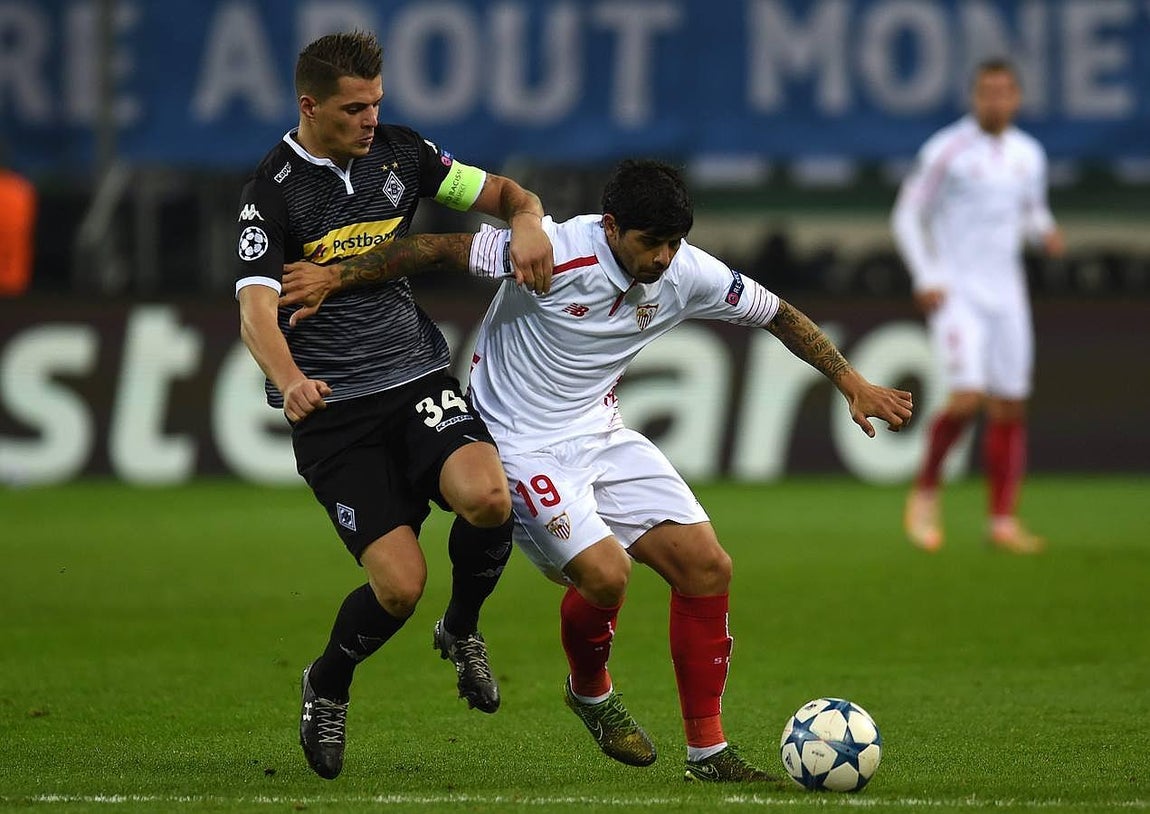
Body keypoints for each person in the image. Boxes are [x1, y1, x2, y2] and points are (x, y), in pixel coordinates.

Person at [279, 159, 914, 782]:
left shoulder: (686, 271)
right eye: (650, 242)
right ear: (611, 226)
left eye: (673, 242)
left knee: (708, 567)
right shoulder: (553, 251)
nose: (664, 257)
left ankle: (709, 752)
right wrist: (337, 275)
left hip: (599, 432)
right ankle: (590, 692)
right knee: (608, 577)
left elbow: (776, 312)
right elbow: (439, 248)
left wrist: (849, 380)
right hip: (517, 441)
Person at [233, 30, 553, 780]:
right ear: (310, 106)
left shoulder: (404, 155)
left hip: (415, 380)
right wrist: (291, 380)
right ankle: (328, 683)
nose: (370, 119)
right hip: (335, 414)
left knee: (488, 496)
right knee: (399, 586)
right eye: (353, 108)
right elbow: (255, 310)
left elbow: (505, 195)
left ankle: (464, 629)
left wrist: (530, 221)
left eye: (376, 103)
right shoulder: (271, 193)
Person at [892, 58, 1064, 555]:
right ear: (974, 97)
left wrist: (1045, 231)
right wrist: (927, 274)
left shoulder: (1028, 154)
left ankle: (1002, 521)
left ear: (1017, 98)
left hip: (1007, 294)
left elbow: (1032, 211)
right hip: (958, 292)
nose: (996, 100)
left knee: (1010, 405)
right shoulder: (948, 150)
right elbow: (906, 214)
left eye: (1005, 91)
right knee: (968, 398)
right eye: (987, 92)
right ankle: (925, 492)